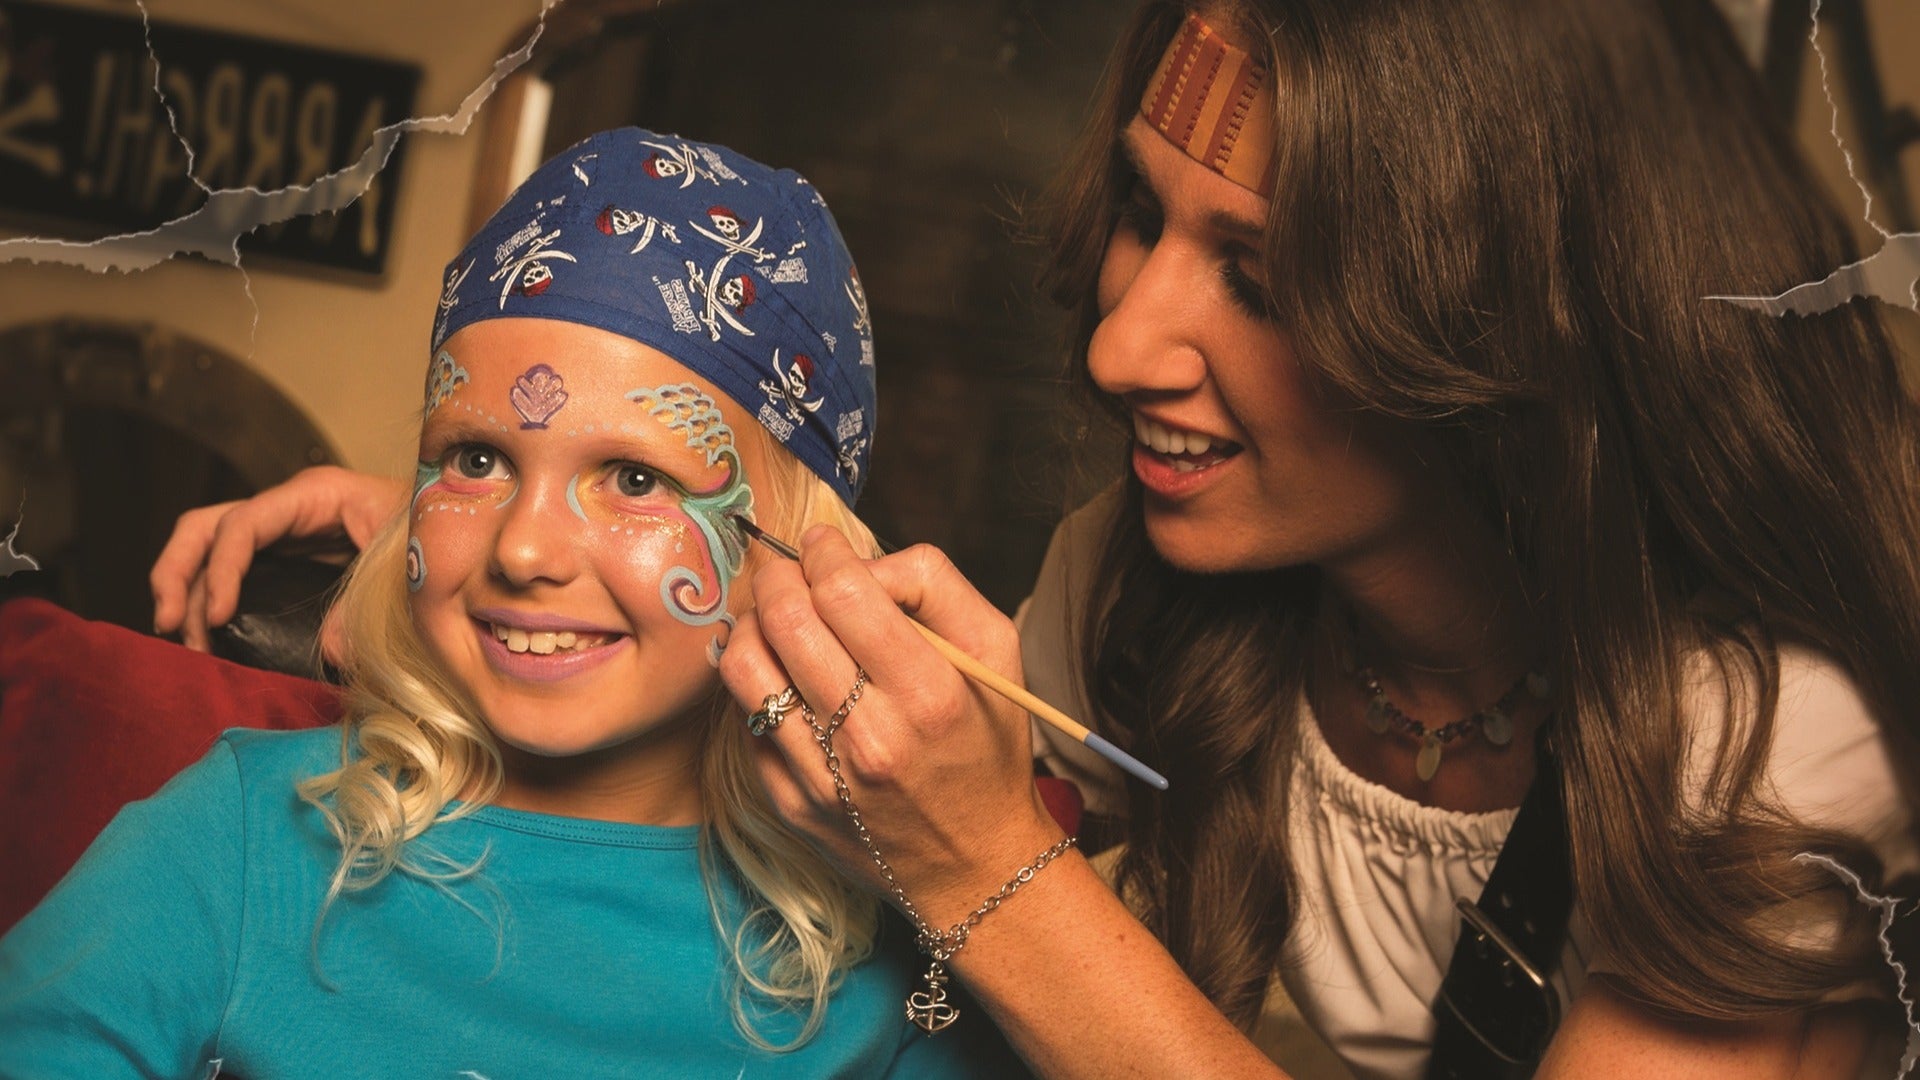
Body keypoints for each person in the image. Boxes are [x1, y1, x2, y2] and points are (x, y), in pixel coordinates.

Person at [147, 1, 1920, 1077]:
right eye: (1145, 220)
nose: (1122, 342)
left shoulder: (1774, 729)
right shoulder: (1148, 590)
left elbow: (969, 834)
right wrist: (470, 544)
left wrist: (995, 869)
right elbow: (782, 642)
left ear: (1510, 312)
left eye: (1262, 269)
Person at [2, 128, 1022, 1078]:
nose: (524, 550)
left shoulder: (901, 962)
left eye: (632, 479)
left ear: (798, 555)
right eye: (477, 459)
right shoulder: (241, 840)